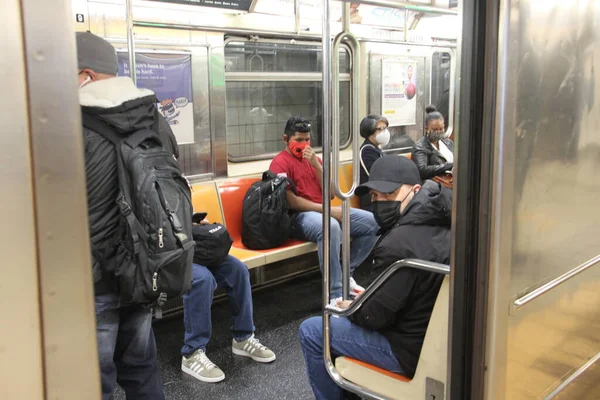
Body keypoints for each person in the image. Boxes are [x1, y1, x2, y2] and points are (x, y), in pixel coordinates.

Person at [298, 155, 452, 400]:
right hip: (438, 342)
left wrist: (354, 307)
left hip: (407, 350)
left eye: (388, 194)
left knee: (314, 330)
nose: (380, 202)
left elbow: (374, 317)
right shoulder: (447, 222)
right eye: (376, 196)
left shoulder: (398, 245)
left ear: (415, 190)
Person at [78, 32, 178, 399]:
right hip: (144, 267)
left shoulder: (69, 125)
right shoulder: (154, 117)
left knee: (93, 380)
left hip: (93, 276)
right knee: (139, 368)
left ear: (85, 74)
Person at [269, 117, 379, 304]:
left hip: (323, 210)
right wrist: (327, 211)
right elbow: (291, 201)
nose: (303, 144)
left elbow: (330, 194)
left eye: (307, 140)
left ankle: (346, 274)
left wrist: (317, 166)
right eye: (299, 140)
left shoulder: (315, 160)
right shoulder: (279, 163)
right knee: (331, 226)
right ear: (286, 139)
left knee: (374, 222)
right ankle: (335, 293)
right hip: (298, 217)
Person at [181, 220, 276, 383]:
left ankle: (243, 337)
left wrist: (196, 223)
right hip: (170, 255)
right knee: (203, 279)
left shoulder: (182, 193)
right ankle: (192, 353)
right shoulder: (151, 195)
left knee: (237, 269)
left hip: (194, 248)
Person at [411, 105, 454, 180]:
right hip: (434, 183)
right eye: (435, 129)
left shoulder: (448, 142)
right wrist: (449, 166)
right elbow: (422, 171)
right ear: (427, 129)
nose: (438, 132)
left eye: (441, 128)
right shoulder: (420, 147)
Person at [358, 114, 389, 211]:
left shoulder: (375, 148)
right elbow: (378, 174)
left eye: (385, 128)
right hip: (373, 199)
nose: (385, 132)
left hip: (381, 196)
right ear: (370, 131)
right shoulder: (367, 150)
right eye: (380, 129)